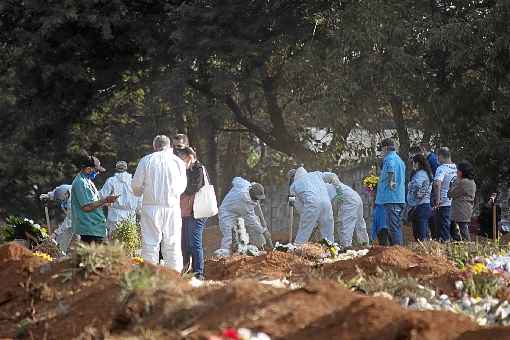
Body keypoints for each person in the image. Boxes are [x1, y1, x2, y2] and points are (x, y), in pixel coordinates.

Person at [131, 135, 187, 271]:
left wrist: (143, 192)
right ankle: (174, 277)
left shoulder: (146, 161)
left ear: (154, 146)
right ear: (170, 147)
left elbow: (136, 186)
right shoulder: (177, 162)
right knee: (172, 244)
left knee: (150, 244)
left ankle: (149, 276)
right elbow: (182, 186)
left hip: (151, 207)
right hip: (172, 207)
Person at [175, 146, 208, 279]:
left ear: (189, 157)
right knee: (185, 243)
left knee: (194, 243)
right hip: (188, 211)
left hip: (198, 211)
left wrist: (179, 188)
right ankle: (186, 271)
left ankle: (199, 274)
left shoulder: (198, 168)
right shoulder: (187, 169)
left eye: (182, 159)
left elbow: (193, 188)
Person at [71, 153, 118, 244]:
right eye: (96, 171)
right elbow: (86, 207)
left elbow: (94, 202)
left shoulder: (88, 181)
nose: (98, 173)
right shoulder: (80, 183)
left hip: (96, 227)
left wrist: (107, 202)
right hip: (90, 229)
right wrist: (105, 200)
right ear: (89, 169)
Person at [217, 177, 268, 255]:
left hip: (236, 212)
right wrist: (263, 231)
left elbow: (236, 179)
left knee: (242, 235)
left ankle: (240, 253)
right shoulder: (245, 203)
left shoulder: (245, 185)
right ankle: (223, 257)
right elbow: (252, 221)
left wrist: (250, 184)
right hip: (226, 214)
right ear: (252, 195)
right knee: (229, 237)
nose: (257, 200)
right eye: (256, 198)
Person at [321, 172, 369, 248]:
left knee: (345, 223)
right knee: (359, 222)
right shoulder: (331, 186)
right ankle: (364, 243)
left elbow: (326, 206)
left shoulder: (325, 189)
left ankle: (346, 246)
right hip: (355, 197)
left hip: (349, 201)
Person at [289, 167, 334, 244]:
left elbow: (297, 205)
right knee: (328, 232)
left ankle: (298, 250)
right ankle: (331, 251)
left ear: (293, 177)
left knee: (304, 231)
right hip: (327, 203)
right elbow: (331, 176)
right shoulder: (316, 174)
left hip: (312, 204)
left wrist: (307, 217)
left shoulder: (293, 186)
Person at [375, 138, 406, 245]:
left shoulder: (389, 158)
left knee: (393, 228)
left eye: (381, 149)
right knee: (395, 226)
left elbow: (391, 168)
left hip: (391, 198)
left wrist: (391, 182)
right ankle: (398, 250)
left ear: (385, 148)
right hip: (399, 198)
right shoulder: (400, 160)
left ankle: (398, 251)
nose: (381, 152)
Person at [100, 161, 141, 239]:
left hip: (115, 216)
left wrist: (106, 204)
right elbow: (139, 199)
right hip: (130, 216)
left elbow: (102, 196)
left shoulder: (111, 181)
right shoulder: (133, 181)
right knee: (128, 242)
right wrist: (138, 211)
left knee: (115, 244)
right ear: (126, 168)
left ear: (116, 168)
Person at [40, 184, 74, 254]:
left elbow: (69, 222)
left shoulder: (73, 202)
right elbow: (56, 192)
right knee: (60, 238)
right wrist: (48, 196)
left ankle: (61, 254)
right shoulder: (64, 189)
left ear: (67, 194)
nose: (62, 201)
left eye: (63, 200)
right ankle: (59, 251)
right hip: (72, 218)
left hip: (85, 220)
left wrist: (55, 233)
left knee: (68, 234)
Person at [433, 147, 458, 242]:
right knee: (455, 230)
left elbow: (437, 183)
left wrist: (438, 200)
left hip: (444, 203)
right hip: (455, 204)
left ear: (440, 156)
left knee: (444, 230)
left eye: (437, 157)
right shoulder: (456, 167)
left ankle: (444, 252)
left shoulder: (441, 168)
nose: (437, 159)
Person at [407, 154, 433, 241]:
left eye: (413, 163)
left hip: (420, 206)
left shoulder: (420, 174)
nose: (412, 165)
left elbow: (417, 185)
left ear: (417, 163)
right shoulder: (426, 173)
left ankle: (423, 252)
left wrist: (411, 188)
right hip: (424, 205)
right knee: (422, 233)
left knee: (420, 235)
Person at [448, 161, 476, 241]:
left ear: (462, 172)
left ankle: (465, 248)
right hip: (464, 209)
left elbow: (451, 193)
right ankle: (462, 247)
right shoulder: (471, 181)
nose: (456, 172)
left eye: (458, 170)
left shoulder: (463, 182)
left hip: (461, 210)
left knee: (462, 231)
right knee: (460, 229)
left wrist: (454, 183)